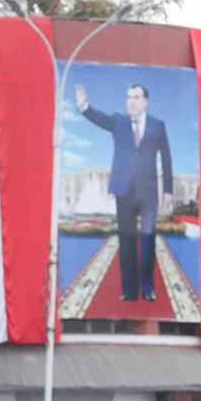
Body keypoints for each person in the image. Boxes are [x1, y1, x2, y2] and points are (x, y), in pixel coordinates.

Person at [75, 82, 173, 302]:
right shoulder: (118, 121)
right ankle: (129, 290)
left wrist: (168, 189)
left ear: (145, 102)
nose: (131, 101)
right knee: (126, 240)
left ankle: (147, 288)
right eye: (128, 97)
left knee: (148, 239)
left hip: (148, 194)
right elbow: (100, 119)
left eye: (136, 97)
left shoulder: (158, 125)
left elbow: (166, 157)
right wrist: (84, 106)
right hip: (124, 190)